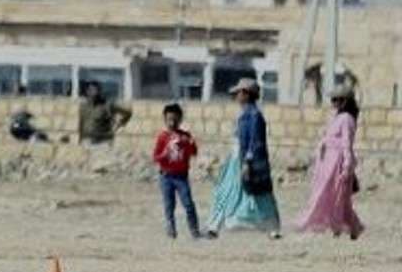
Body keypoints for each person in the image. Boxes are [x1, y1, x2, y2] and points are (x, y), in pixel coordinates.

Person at [206, 78, 281, 239]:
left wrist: (248, 161)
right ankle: (214, 226)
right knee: (225, 191)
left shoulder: (254, 116)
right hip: (235, 159)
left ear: (246, 94)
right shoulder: (245, 115)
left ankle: (272, 228)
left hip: (247, 161)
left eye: (239, 93)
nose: (236, 96)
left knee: (259, 193)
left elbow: (255, 141)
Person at [295, 85, 365, 239]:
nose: (333, 102)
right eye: (332, 99)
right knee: (330, 194)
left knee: (337, 196)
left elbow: (347, 143)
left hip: (338, 163)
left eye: (336, 99)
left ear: (344, 101)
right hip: (328, 162)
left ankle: (329, 224)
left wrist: (347, 165)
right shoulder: (336, 117)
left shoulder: (347, 119)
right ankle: (347, 226)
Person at [152, 103, 201, 239]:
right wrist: (165, 154)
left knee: (188, 203)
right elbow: (155, 157)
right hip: (166, 176)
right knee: (169, 205)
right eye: (169, 119)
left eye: (175, 119)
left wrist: (189, 144)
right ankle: (171, 230)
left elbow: (194, 152)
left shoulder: (185, 136)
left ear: (180, 120)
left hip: (181, 177)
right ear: (165, 119)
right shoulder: (163, 137)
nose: (172, 123)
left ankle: (194, 230)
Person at [78, 81, 132, 145]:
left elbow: (128, 112)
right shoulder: (83, 106)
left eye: (96, 90)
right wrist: (80, 139)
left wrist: (120, 123)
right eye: (90, 90)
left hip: (104, 141)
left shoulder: (107, 104)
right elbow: (81, 123)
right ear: (87, 92)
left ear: (99, 91)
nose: (93, 92)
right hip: (87, 140)